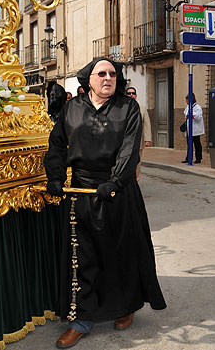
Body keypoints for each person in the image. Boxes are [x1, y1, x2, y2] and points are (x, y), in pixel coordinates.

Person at [44, 57, 166, 348]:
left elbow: (129, 150)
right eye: (102, 73)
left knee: (120, 253)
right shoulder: (72, 108)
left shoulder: (128, 108)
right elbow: (57, 145)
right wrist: (56, 176)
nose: (108, 78)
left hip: (118, 192)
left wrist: (115, 181)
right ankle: (80, 320)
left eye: (112, 73)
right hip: (82, 192)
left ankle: (125, 307)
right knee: (82, 259)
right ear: (88, 79)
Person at [126, 86, 152, 178]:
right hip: (124, 141)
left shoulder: (142, 108)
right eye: (129, 93)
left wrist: (148, 139)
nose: (131, 95)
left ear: (136, 96)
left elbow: (146, 124)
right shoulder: (122, 109)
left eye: (133, 93)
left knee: (137, 161)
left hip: (138, 141)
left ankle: (136, 181)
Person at [182, 93, 204, 164]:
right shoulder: (188, 107)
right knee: (189, 144)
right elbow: (185, 113)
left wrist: (192, 113)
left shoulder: (198, 107)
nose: (187, 102)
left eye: (187, 100)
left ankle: (198, 158)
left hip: (195, 129)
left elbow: (198, 117)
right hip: (189, 129)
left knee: (197, 144)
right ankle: (188, 158)